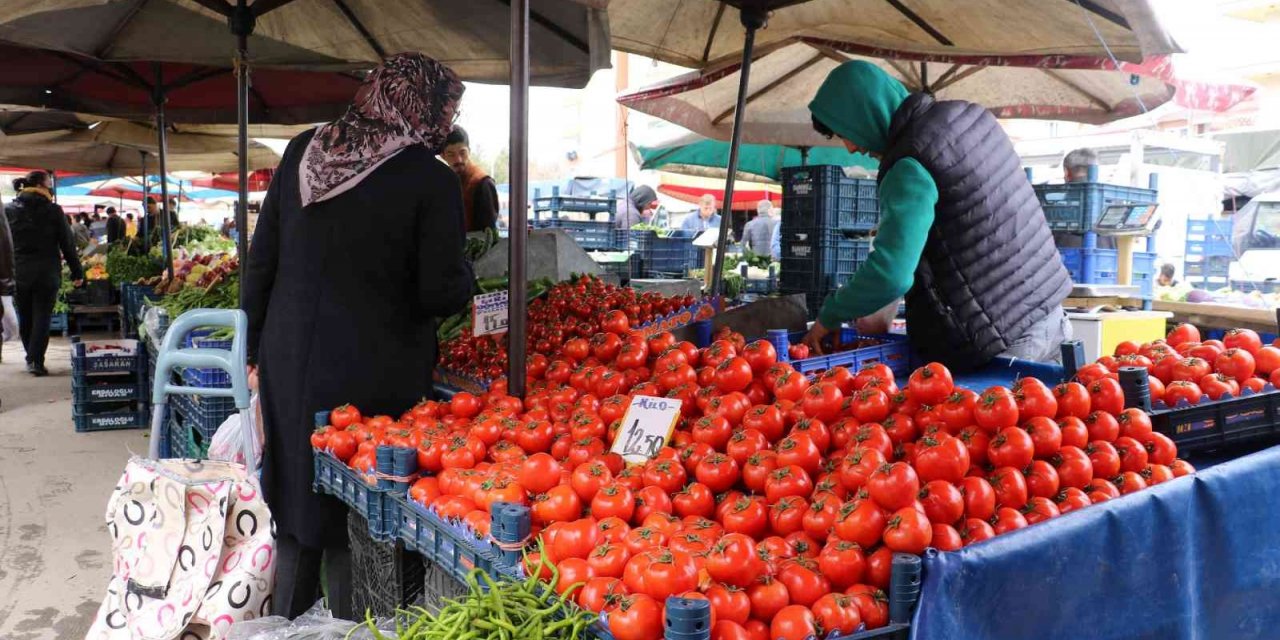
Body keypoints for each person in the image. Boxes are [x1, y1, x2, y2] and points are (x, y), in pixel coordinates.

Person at [243, 53, 473, 620]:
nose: (446, 121)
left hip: (288, 352)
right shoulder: (430, 178)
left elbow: (261, 260)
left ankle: (285, 622)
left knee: (298, 491)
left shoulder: (304, 149)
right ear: (426, 106)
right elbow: (438, 292)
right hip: (373, 367)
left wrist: (254, 352)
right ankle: (345, 624)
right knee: (354, 506)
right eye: (447, 109)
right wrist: (467, 276)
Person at [802, 61, 1072, 369]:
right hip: (1050, 315)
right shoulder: (969, 116)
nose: (850, 148)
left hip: (1004, 342)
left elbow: (891, 274)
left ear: (866, 113)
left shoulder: (909, 162)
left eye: (845, 132)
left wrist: (830, 315)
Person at [4, 171, 84, 376]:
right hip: (47, 272)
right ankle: (35, 359)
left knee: (26, 315)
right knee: (42, 316)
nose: (51, 187)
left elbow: (3, 244)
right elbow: (67, 244)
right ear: (41, 185)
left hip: (19, 271)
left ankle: (31, 356)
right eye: (49, 184)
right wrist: (77, 272)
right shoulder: (54, 210)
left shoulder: (9, 210)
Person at [439, 126, 499, 232]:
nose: (458, 159)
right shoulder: (445, 183)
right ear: (443, 156)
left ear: (469, 151)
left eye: (462, 152)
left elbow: (489, 234)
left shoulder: (482, 183)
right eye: (451, 154)